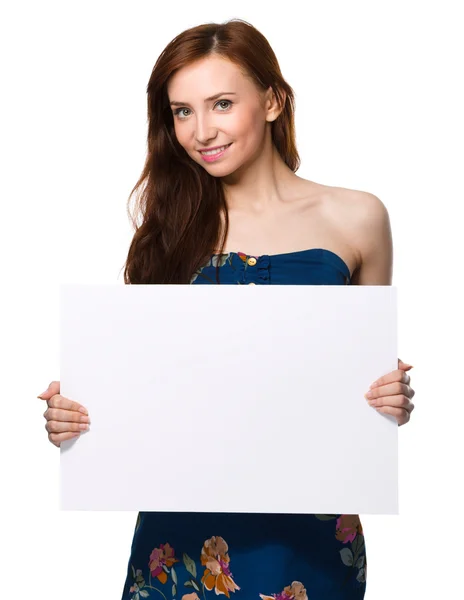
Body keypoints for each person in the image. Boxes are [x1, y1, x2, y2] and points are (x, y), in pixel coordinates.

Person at [37, 18, 416, 600]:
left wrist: (388, 402)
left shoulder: (358, 217)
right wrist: (83, 416)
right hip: (181, 537)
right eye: (181, 111)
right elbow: (151, 388)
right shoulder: (167, 230)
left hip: (310, 536)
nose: (200, 130)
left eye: (220, 103)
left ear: (272, 100)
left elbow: (361, 383)